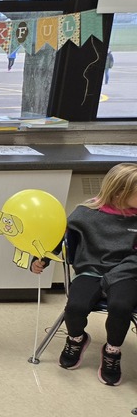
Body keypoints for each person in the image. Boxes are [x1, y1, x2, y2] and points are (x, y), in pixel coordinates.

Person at [31, 162, 137, 386]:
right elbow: (60, 240)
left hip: (126, 273)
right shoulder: (85, 214)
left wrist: (116, 276)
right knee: (76, 307)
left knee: (121, 307)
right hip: (91, 270)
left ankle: (112, 351)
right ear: (120, 193)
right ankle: (76, 339)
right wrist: (41, 259)